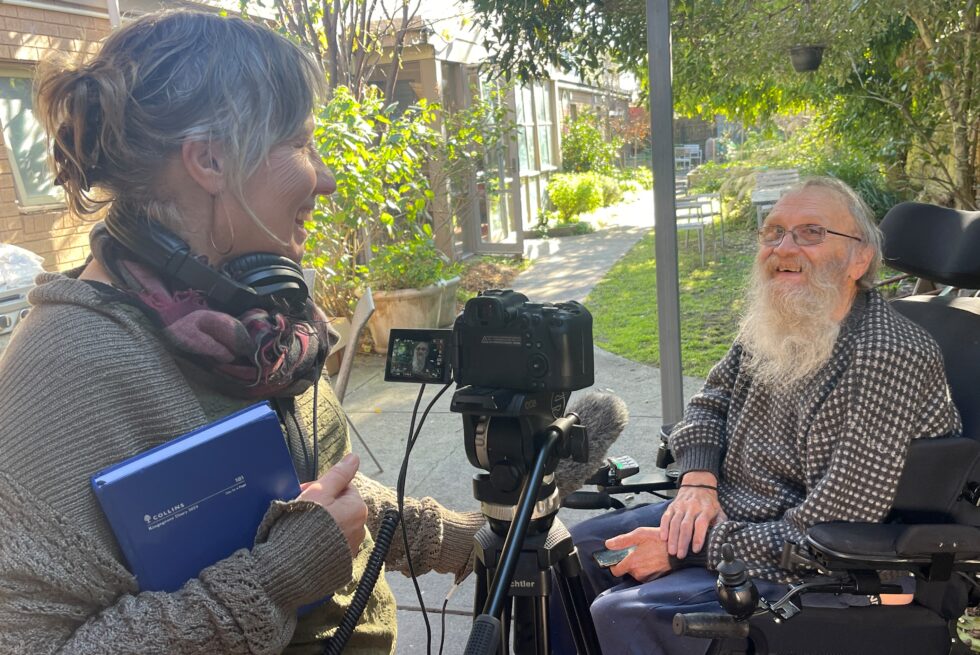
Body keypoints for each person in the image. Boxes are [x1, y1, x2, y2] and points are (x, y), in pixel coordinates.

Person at [0, 11, 484, 654]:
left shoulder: (258, 328)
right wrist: (274, 581)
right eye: (300, 145)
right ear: (210, 159)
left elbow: (302, 497)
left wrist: (465, 537)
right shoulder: (63, 375)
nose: (326, 178)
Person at [555, 177, 962, 654]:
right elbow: (709, 403)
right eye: (773, 232)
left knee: (621, 612)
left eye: (811, 232)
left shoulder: (887, 355)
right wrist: (698, 481)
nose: (783, 247)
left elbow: (827, 533)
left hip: (829, 565)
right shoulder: (780, 320)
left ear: (859, 258)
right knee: (572, 551)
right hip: (729, 517)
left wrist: (691, 547)